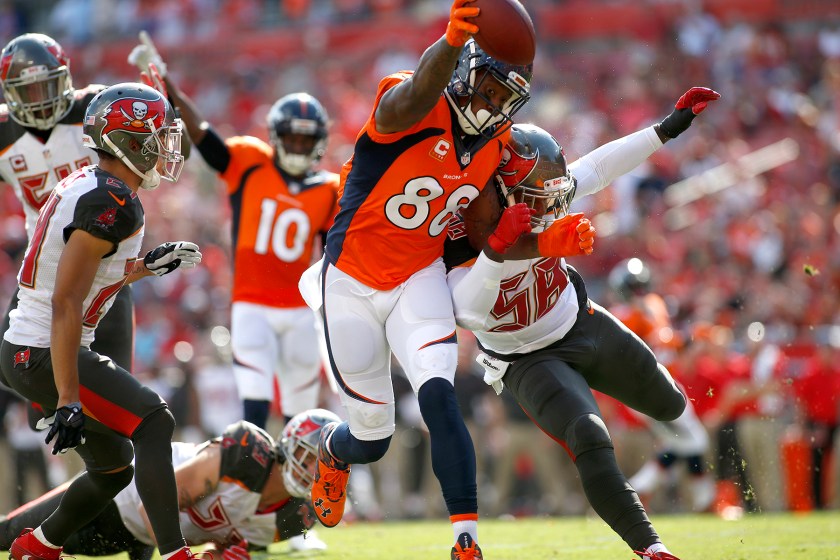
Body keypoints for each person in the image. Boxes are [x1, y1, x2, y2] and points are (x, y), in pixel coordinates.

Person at [299, 1, 538, 555]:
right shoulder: (407, 96)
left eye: (506, 97)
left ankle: (466, 539)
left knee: (439, 397)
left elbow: (483, 235)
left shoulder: (496, 145)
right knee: (373, 440)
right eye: (488, 89)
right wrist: (450, 42)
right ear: (461, 68)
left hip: (417, 276)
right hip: (351, 282)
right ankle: (334, 452)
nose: (493, 105)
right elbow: (412, 97)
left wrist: (542, 238)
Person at [445, 87, 721, 560]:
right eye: (537, 197)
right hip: (523, 358)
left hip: (580, 322)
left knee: (671, 403)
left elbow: (596, 169)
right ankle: (650, 548)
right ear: (503, 192)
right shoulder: (460, 232)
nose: (552, 205)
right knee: (590, 435)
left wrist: (668, 127)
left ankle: (691, 479)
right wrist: (507, 248)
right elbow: (467, 311)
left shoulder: (545, 188)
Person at [0, 82, 202, 560]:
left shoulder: (97, 187)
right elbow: (67, 301)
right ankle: (175, 554)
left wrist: (145, 268)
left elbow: (83, 283)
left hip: (31, 347)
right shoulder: (110, 201)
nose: (165, 148)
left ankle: (38, 546)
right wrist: (68, 398)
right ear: (129, 142)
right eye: (157, 138)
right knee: (154, 422)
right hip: (42, 348)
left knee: (114, 466)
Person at [127, 32, 341, 429]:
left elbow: (333, 256)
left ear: (319, 142)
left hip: (299, 309)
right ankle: (252, 483)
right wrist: (165, 83)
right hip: (252, 303)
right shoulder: (250, 161)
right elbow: (202, 133)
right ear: (275, 136)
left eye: (305, 139)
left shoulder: (329, 188)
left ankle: (293, 490)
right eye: (291, 137)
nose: (296, 146)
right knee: (254, 407)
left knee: (301, 414)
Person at [0, 409, 341, 558]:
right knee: (9, 535)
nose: (314, 470)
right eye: (309, 456)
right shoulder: (248, 456)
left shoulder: (297, 516)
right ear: (290, 443)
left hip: (144, 539)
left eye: (323, 465)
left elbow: (223, 549)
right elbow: (154, 508)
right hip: (118, 495)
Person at [0, 33, 134, 374]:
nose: (39, 101)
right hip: (41, 272)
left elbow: (179, 149)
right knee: (12, 374)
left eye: (47, 86)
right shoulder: (4, 133)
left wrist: (167, 94)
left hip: (104, 266)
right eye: (28, 91)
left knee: (110, 386)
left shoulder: (95, 109)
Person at [608, 258, 714, 513]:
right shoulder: (632, 312)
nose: (638, 294)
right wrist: (684, 338)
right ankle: (703, 500)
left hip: (649, 388)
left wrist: (686, 340)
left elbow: (662, 342)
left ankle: (639, 488)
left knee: (679, 443)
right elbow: (657, 341)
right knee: (695, 440)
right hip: (651, 388)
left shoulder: (640, 308)